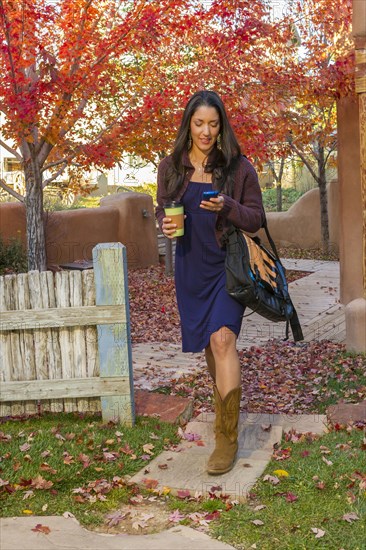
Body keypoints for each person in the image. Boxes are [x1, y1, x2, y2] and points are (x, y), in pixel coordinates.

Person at [155, 90, 264, 475]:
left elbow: (256, 218)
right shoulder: (171, 167)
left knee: (223, 340)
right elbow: (162, 210)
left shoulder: (238, 168)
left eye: (213, 124)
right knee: (210, 345)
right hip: (190, 267)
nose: (205, 131)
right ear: (188, 124)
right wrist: (165, 223)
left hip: (227, 267)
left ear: (222, 127)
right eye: (198, 123)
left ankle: (226, 438)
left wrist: (228, 206)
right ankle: (225, 410)